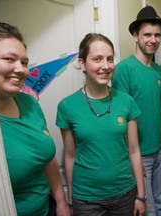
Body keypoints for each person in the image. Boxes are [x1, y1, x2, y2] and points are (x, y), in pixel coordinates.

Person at [56, 33, 145, 216]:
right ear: (82, 63)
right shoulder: (67, 106)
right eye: (97, 59)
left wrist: (141, 196)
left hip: (124, 194)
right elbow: (70, 156)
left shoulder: (126, 101)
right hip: (86, 198)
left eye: (110, 59)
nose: (105, 66)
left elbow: (134, 150)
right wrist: (71, 201)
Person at [0, 22, 70, 216]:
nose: (20, 69)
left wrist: (61, 204)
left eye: (24, 62)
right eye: (9, 59)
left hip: (47, 208)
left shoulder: (30, 103)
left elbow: (46, 157)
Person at [111, 6, 161, 216]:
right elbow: (119, 118)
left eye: (157, 35)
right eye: (147, 34)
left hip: (158, 151)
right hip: (140, 154)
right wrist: (131, 160)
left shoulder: (157, 70)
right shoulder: (123, 69)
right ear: (135, 36)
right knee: (149, 209)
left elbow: (157, 111)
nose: (153, 39)